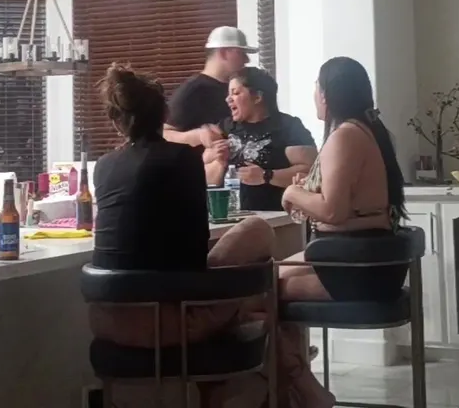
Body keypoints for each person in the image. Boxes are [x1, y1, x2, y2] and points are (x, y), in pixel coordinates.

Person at [87, 63, 324, 408]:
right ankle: (294, 386)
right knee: (258, 270)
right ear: (164, 115)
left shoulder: (104, 166)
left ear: (116, 121)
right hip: (168, 319)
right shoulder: (181, 158)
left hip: (107, 320)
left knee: (252, 298)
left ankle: (266, 390)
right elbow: (194, 249)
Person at [275, 57, 411, 407]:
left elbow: (333, 211)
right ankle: (297, 376)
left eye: (316, 88)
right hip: (364, 260)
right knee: (266, 274)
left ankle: (300, 385)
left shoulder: (345, 136)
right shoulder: (367, 130)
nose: (314, 95)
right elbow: (354, 207)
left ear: (327, 94)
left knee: (259, 288)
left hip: (355, 268)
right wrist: (308, 192)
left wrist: (293, 193)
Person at [203, 67, 317, 211]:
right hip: (228, 215)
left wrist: (267, 176)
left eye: (236, 93)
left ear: (257, 97)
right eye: (228, 94)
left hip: (275, 216)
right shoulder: (225, 127)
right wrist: (219, 162)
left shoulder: (287, 126)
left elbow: (311, 173)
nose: (228, 99)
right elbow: (206, 177)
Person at [163, 26, 257, 152]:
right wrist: (197, 136)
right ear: (223, 53)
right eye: (241, 53)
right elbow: (164, 134)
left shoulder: (242, 88)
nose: (247, 59)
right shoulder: (194, 90)